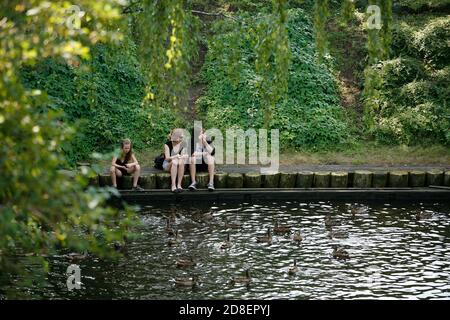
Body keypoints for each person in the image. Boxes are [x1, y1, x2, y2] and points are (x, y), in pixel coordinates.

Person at [163, 128, 188, 193]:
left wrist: (184, 156)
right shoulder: (167, 144)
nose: (181, 138)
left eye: (181, 137)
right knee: (174, 161)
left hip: (179, 164)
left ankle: (179, 185)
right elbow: (167, 158)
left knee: (181, 161)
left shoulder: (183, 144)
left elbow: (182, 156)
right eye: (180, 137)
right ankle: (173, 185)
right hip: (168, 164)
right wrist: (175, 156)